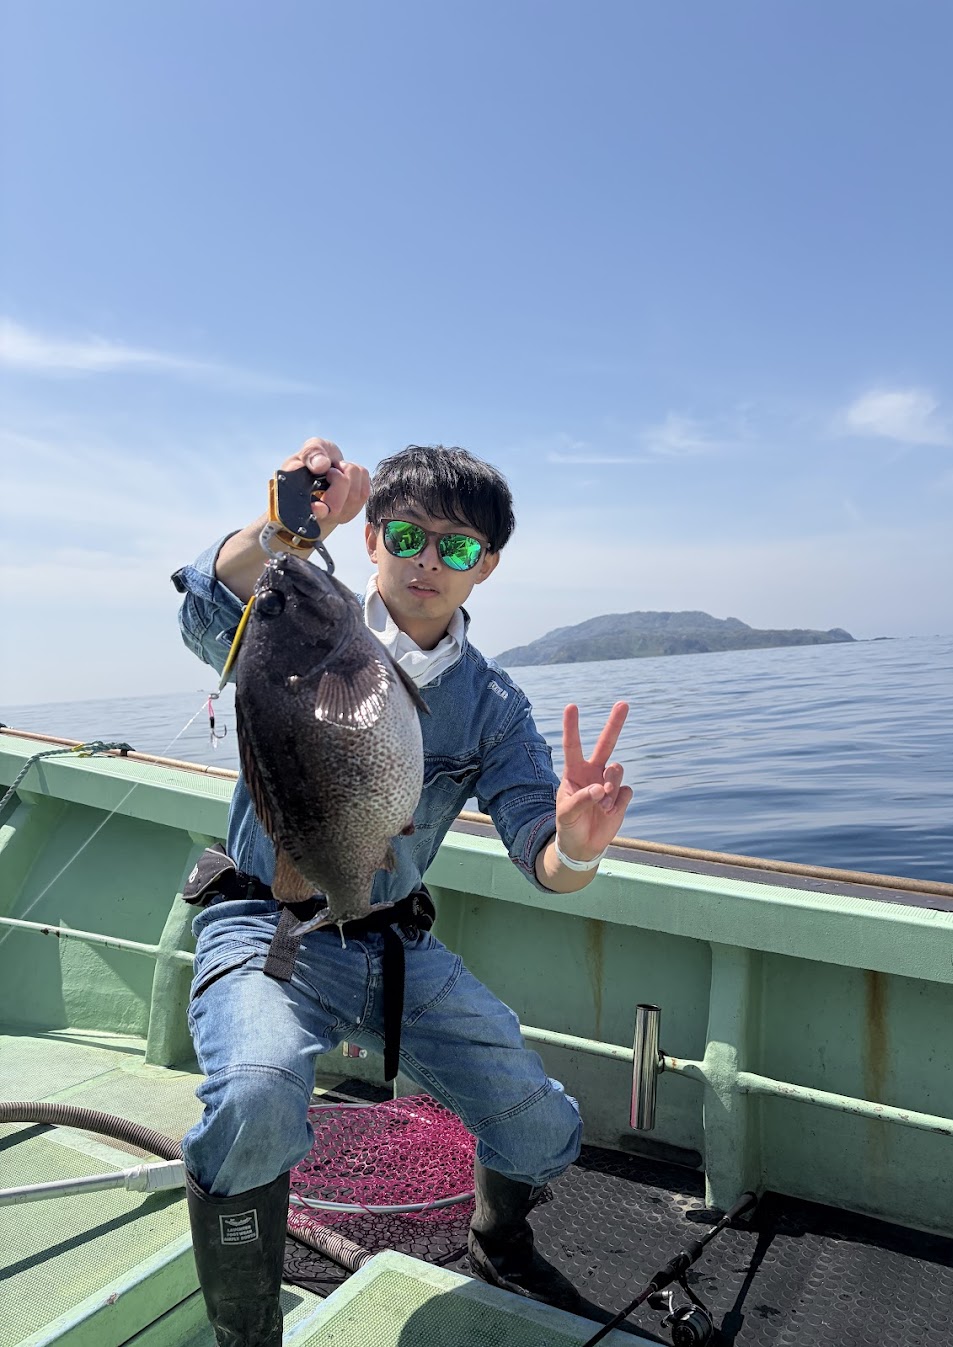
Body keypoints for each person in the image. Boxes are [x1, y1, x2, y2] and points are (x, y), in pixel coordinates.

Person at [171, 438, 633, 1346]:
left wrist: (575, 846)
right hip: (265, 923)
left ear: (486, 567)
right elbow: (204, 602)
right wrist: (285, 528)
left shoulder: (493, 705)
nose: (429, 561)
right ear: (373, 537)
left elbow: (539, 849)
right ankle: (245, 1330)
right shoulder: (294, 620)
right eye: (409, 536)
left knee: (543, 1131)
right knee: (257, 1095)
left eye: (457, 549)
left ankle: (497, 1235)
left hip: (391, 942)